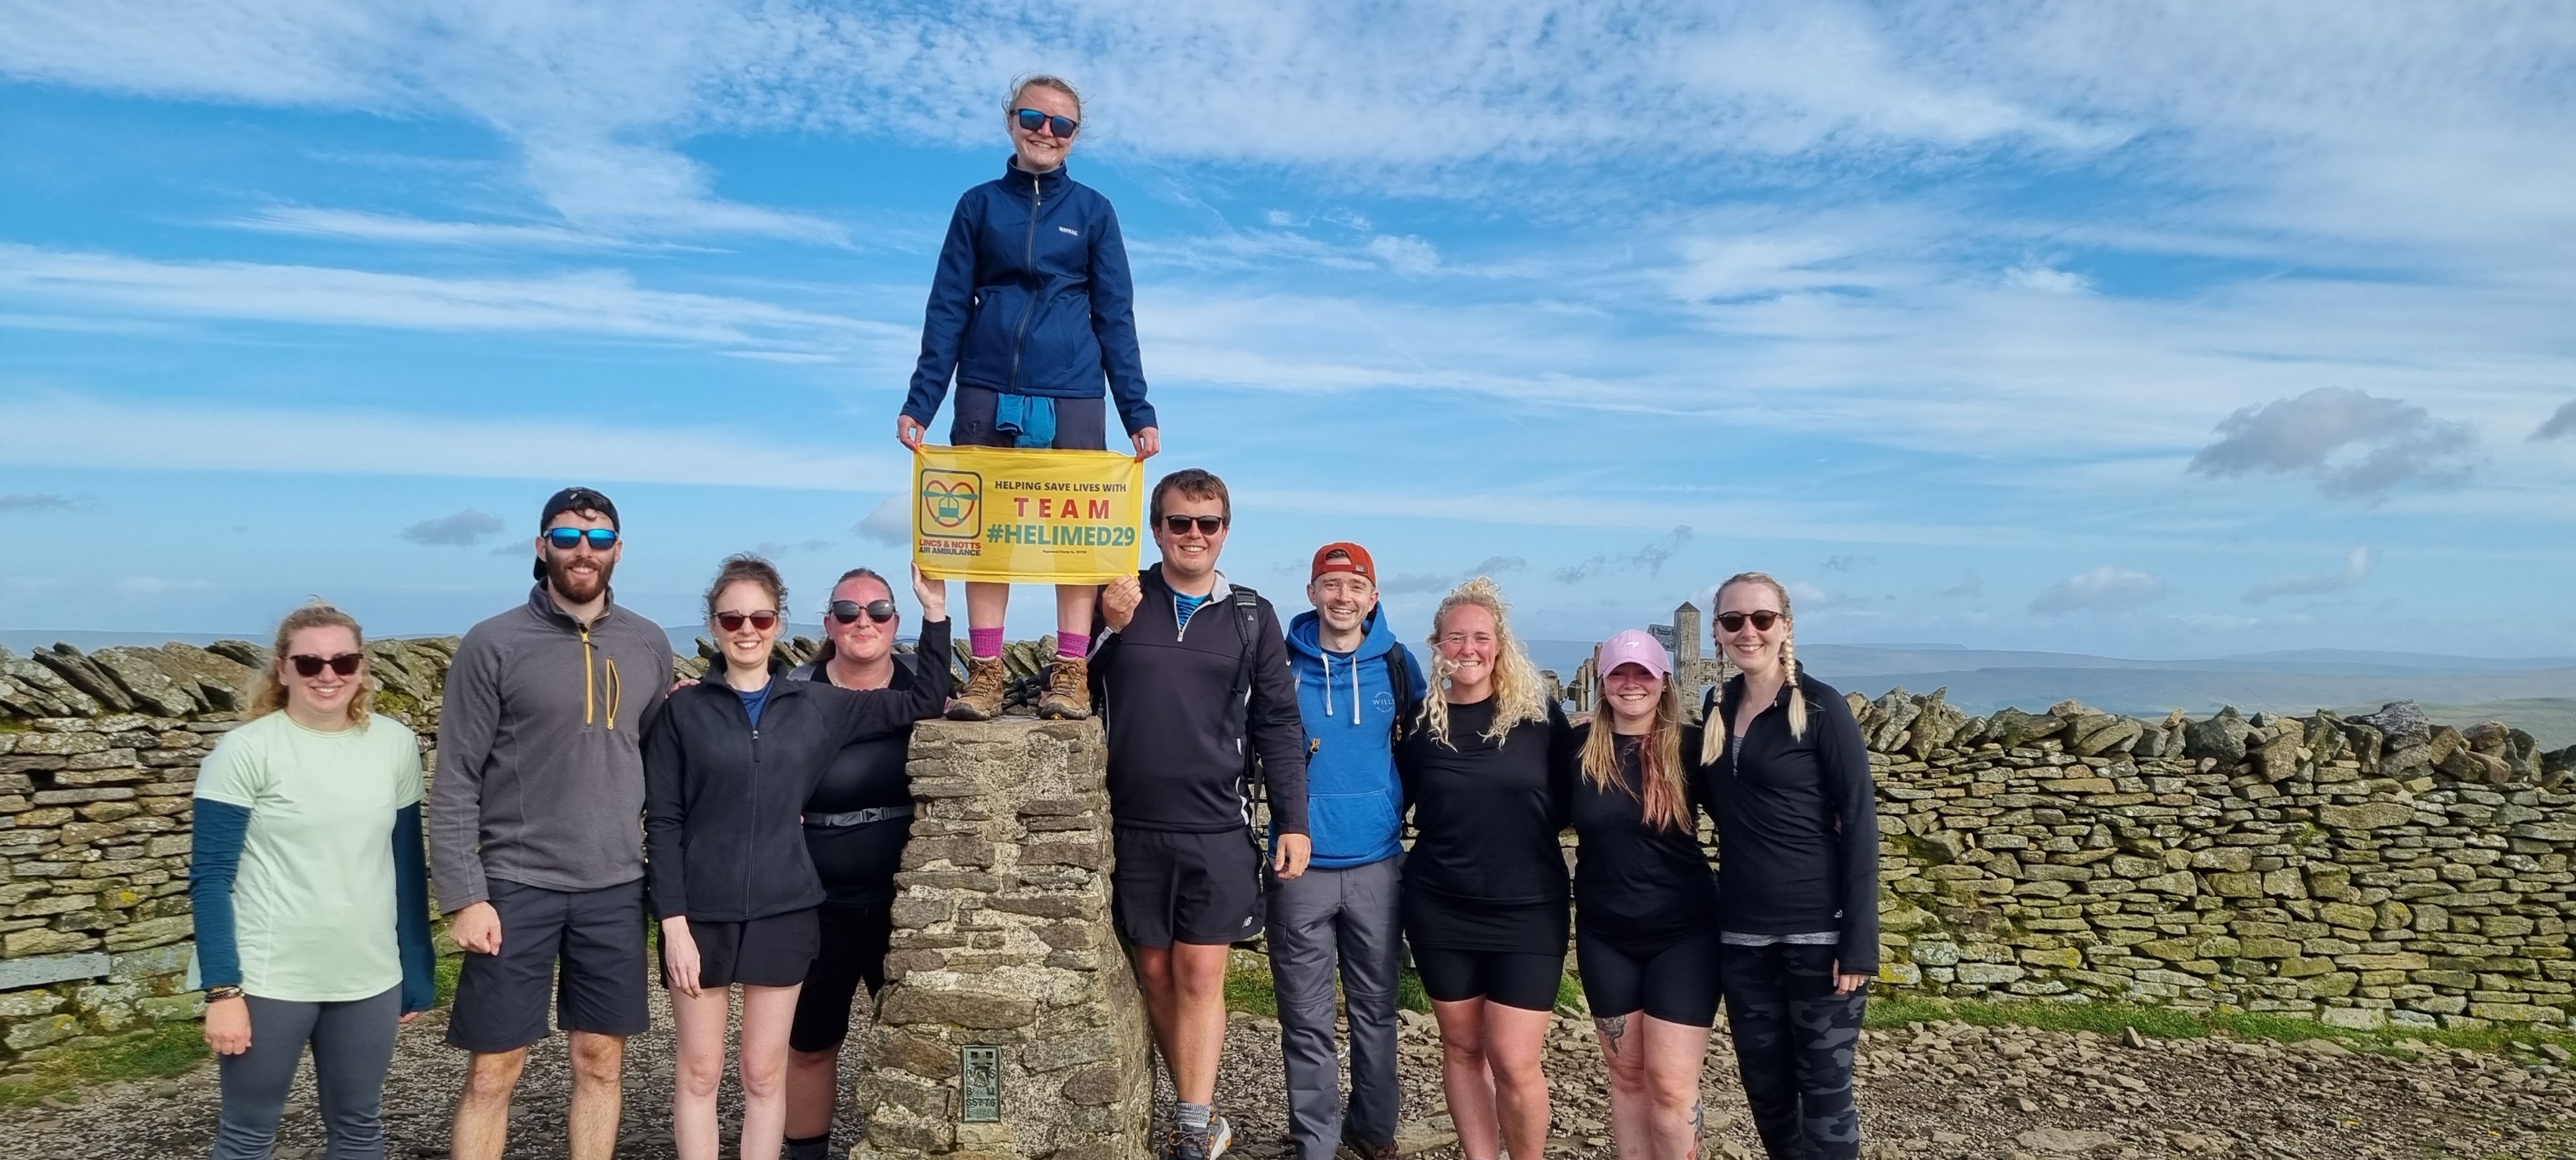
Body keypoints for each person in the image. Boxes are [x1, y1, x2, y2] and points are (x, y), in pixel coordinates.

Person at [645, 556, 952, 1160]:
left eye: (759, 616)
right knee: (700, 1074)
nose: (746, 628)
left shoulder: (815, 706)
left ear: (779, 624)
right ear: (713, 624)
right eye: (732, 617)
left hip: (787, 908)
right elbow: (663, 821)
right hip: (701, 913)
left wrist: (934, 611)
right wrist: (671, 923)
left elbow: (925, 696)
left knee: (764, 1075)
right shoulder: (681, 711)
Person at [895, 72, 1160, 723]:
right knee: (987, 531)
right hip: (985, 387)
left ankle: (1069, 673)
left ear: (1076, 135)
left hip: (1073, 389)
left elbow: (1115, 316)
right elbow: (947, 308)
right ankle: (985, 674)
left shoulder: (1094, 211)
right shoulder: (978, 205)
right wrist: (922, 401)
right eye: (1033, 117)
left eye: (1061, 124)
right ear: (1011, 121)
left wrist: (1138, 412)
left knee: (1077, 532)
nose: (1046, 131)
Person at [430, 486, 676, 1160]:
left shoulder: (650, 643)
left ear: (617, 551)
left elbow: (657, 758)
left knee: (600, 1061)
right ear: (541, 548)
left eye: (598, 541)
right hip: (515, 884)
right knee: (493, 1071)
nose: (583, 553)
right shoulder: (493, 643)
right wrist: (464, 895)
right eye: (567, 539)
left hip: (616, 885)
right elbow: (455, 775)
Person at [1093, 468, 1310, 1160]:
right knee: (1154, 972)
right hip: (1133, 824)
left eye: (1208, 523)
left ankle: (1191, 1123)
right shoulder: (1120, 598)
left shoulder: (1252, 614)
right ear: (1156, 529)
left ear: (1224, 531)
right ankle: (1198, 1107)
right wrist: (1109, 628)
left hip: (1218, 824)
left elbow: (1278, 722)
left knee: (1199, 974)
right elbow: (1070, 686)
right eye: (1180, 522)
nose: (1194, 535)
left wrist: (1293, 821)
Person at [191, 601, 435, 1160]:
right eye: (310, 664)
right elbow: (210, 879)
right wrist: (223, 992)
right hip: (272, 979)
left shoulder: (393, 744)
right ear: (282, 670)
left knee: (359, 1129)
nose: (328, 675)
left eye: (343, 661)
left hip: (369, 977)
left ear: (362, 667)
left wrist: (416, 967)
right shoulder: (245, 751)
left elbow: (404, 866)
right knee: (247, 1136)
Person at [1695, 573, 1879, 1160]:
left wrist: (1859, 942)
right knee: (1768, 1094)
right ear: (1718, 632)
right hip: (1742, 934)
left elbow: (1859, 822)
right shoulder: (1716, 705)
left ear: (1786, 626)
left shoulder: (1821, 707)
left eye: (1762, 619)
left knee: (1824, 1094)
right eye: (1732, 621)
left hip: (1819, 933)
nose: (1748, 631)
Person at [1394, 577, 1573, 1160]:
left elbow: (1577, 800)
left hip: (1529, 909)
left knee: (1516, 1060)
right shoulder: (1420, 725)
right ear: (1437, 644)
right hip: (1441, 906)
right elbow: (1397, 801)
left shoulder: (1539, 717)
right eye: (1455, 637)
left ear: (1499, 645)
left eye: (1480, 637)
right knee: (1463, 1048)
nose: (1468, 648)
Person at [1270, 543, 1424, 1160]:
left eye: (1355, 587)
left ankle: (1374, 1130)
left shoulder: (1397, 664)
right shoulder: (1280, 664)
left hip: (1378, 863)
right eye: (1330, 585)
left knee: (1376, 1011)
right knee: (1305, 1019)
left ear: (1373, 598)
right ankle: (1315, 1142)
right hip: (1299, 866)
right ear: (1311, 593)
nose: (1342, 597)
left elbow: (1418, 744)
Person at [780, 566, 939, 1160]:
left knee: (915, 1038)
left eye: (877, 611)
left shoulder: (928, 687)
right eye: (847, 612)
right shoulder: (794, 691)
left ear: (897, 623)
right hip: (818, 899)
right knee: (812, 1042)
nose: (862, 622)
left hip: (910, 900)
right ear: (829, 625)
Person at [1571, 630, 1721, 1160]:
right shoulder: (1576, 750)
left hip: (1685, 937)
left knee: (1673, 1087)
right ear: (1603, 683)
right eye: (1619, 674)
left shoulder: (1693, 747)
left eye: (1643, 674)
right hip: (1604, 935)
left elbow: (1756, 811)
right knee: (1628, 1079)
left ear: (1664, 682)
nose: (1631, 684)